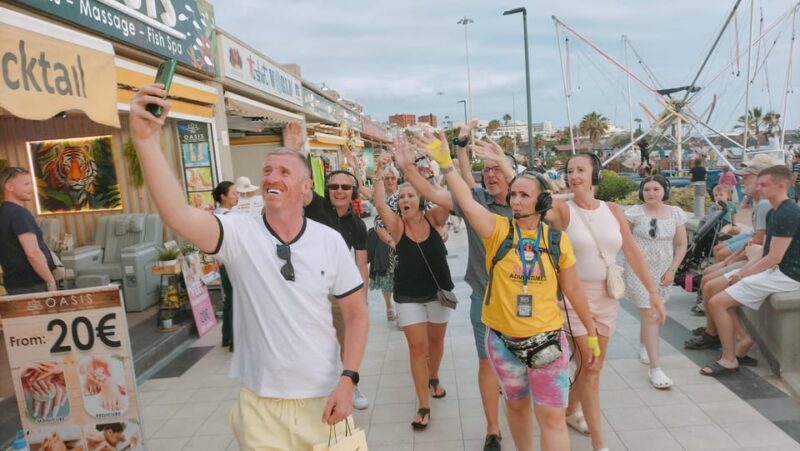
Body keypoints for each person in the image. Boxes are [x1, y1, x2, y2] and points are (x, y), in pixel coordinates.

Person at [129, 84, 368, 450]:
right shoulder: (238, 233)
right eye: (267, 170)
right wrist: (145, 141)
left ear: (306, 189)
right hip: (260, 407)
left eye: (284, 172)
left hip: (326, 398)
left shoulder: (328, 240)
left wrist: (348, 379)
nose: (272, 177)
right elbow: (177, 214)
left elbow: (355, 314)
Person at [422, 131, 601, 451]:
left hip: (547, 342)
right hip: (503, 343)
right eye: (513, 194)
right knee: (517, 408)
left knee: (553, 417)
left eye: (524, 195)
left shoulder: (556, 240)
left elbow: (572, 287)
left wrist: (589, 329)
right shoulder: (497, 229)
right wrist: (447, 164)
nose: (516, 200)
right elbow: (464, 198)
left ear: (541, 202)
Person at [545, 152, 665, 451]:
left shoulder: (612, 209)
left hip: (607, 296)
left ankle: (572, 411)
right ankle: (600, 444)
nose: (574, 176)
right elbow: (534, 200)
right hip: (573, 298)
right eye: (570, 170)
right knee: (592, 366)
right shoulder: (562, 209)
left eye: (581, 170)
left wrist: (652, 292)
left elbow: (633, 251)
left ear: (594, 173)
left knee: (590, 368)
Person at [373, 146, 453, 431]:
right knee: (417, 348)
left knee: (436, 343)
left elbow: (449, 201)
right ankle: (423, 402)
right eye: (402, 197)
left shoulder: (434, 219)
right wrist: (380, 172)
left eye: (410, 195)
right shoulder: (396, 226)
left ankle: (434, 377)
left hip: (438, 292)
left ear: (421, 199)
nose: (405, 199)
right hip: (407, 295)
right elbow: (379, 204)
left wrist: (431, 176)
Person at [701, 165, 800, 376]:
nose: (759, 188)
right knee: (717, 293)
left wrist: (742, 274)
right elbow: (765, 250)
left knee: (718, 302)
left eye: (765, 185)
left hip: (789, 276)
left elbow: (775, 257)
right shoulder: (775, 211)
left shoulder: (787, 212)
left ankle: (729, 359)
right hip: (778, 270)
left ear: (781, 185)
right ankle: (740, 342)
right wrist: (742, 271)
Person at [303, 169, 370, 410]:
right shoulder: (316, 207)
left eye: (345, 187)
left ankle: (350, 384)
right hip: (306, 290)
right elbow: (301, 187)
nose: (339, 191)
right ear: (326, 189)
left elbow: (361, 264)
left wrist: (361, 299)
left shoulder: (358, 225)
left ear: (353, 192)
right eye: (334, 187)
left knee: (346, 340)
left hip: (337, 291)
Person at [624, 176, 688, 389]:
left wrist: (672, 270)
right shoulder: (634, 213)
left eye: (656, 189)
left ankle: (644, 345)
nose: (651, 193)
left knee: (649, 312)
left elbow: (681, 245)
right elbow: (622, 239)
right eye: (647, 189)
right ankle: (656, 368)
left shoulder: (675, 213)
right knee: (650, 313)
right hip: (638, 268)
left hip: (663, 269)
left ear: (665, 190)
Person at [0, 167, 57, 295]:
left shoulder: (3, 212)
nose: (31, 188)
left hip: (14, 284)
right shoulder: (19, 214)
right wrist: (50, 281)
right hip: (33, 285)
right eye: (26, 184)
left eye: (31, 184)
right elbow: (33, 253)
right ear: (9, 187)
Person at [369, 164, 400, 321]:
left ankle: (401, 310)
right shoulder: (379, 196)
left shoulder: (403, 195)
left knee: (400, 275)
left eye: (392, 177)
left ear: (397, 179)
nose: (389, 181)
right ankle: (389, 305)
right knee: (385, 276)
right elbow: (363, 191)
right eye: (387, 178)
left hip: (400, 239)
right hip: (383, 240)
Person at [212, 181, 238, 352]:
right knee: (235, 299)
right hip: (231, 262)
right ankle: (233, 339)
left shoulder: (218, 215)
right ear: (223, 196)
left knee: (230, 299)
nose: (237, 196)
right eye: (233, 193)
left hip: (226, 261)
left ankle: (227, 335)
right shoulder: (224, 217)